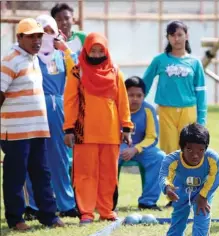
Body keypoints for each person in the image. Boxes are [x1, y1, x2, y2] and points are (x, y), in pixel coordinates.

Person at [0, 18, 64, 230]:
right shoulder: (10, 60)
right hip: (16, 131)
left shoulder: (33, 59)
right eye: (31, 36)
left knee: (42, 174)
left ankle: (49, 217)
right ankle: (16, 219)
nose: (37, 40)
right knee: (15, 176)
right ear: (19, 38)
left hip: (37, 129)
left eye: (39, 36)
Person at [63, 32, 133, 225]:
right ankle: (86, 212)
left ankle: (106, 210)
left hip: (110, 134)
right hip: (84, 133)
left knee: (109, 174)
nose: (95, 54)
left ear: (106, 50)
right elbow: (70, 102)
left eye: (99, 50)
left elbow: (122, 101)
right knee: (85, 174)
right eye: (92, 50)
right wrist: (69, 128)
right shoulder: (77, 72)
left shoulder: (115, 71)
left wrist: (126, 126)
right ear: (86, 50)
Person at [22, 15, 79, 219]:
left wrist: (66, 49)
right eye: (42, 30)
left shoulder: (62, 55)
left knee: (60, 157)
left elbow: (79, 72)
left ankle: (66, 203)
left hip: (58, 110)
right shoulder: (28, 56)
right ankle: (35, 206)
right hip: (33, 108)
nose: (47, 35)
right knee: (33, 156)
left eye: (50, 30)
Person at [143, 20, 207, 155]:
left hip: (189, 112)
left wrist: (201, 121)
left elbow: (201, 93)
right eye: (172, 35)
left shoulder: (195, 63)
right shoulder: (159, 60)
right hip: (166, 112)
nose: (176, 39)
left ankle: (188, 176)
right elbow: (144, 85)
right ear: (168, 38)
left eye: (179, 34)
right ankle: (169, 177)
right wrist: (138, 107)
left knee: (189, 150)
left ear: (187, 36)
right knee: (169, 151)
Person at [158, 123, 219, 236]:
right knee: (179, 212)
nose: (195, 155)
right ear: (182, 148)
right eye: (189, 149)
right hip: (181, 188)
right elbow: (164, 176)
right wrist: (168, 189)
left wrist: (203, 196)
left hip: (204, 189)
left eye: (200, 150)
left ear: (206, 148)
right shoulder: (171, 159)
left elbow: (215, 177)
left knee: (202, 213)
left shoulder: (212, 158)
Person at [114, 76, 166, 211]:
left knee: (160, 157)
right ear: (123, 94)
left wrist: (136, 149)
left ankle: (148, 201)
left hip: (141, 149)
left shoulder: (148, 110)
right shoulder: (114, 108)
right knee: (108, 158)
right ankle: (108, 201)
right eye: (130, 95)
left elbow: (152, 137)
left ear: (144, 96)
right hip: (118, 148)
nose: (135, 99)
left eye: (139, 95)